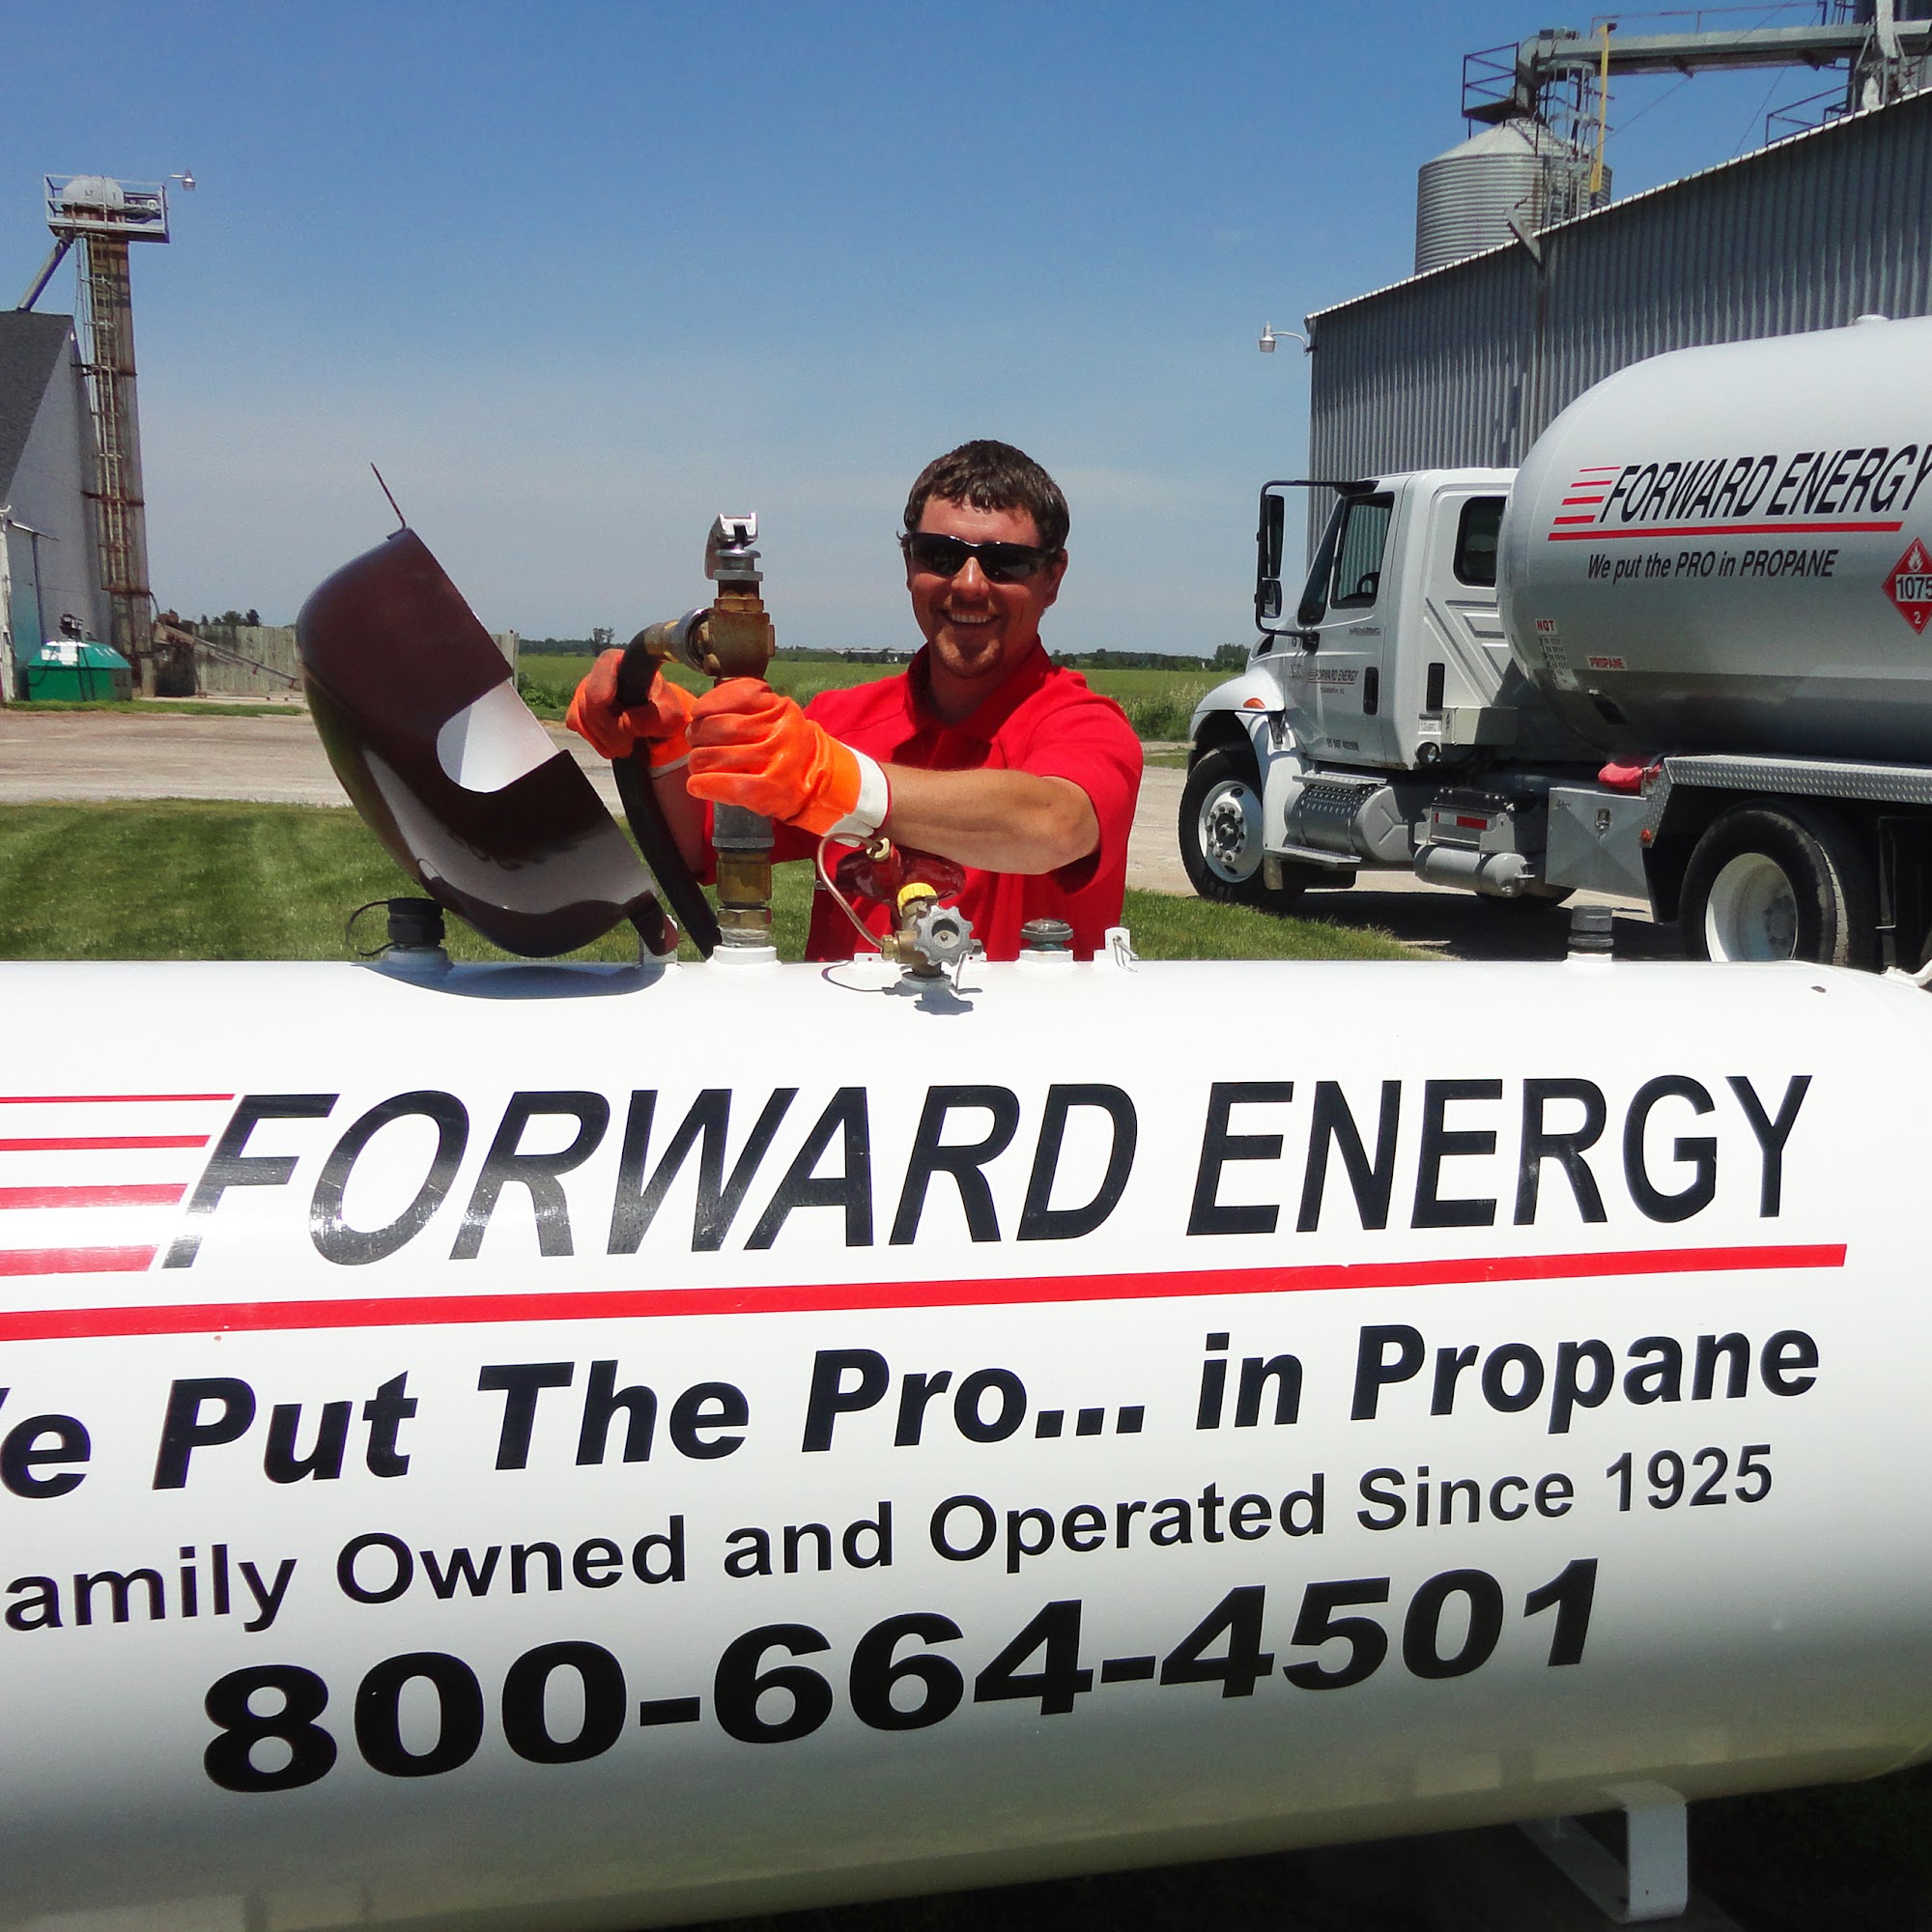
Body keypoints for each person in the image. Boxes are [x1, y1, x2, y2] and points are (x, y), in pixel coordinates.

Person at [567, 440, 1142, 960]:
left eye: (1005, 562)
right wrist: (664, 738)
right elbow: (701, 847)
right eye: (940, 556)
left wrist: (840, 782)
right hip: (846, 1044)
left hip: (1024, 1047)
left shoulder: (1085, 726)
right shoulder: (839, 724)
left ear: (1052, 578)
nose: (969, 584)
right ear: (909, 563)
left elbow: (1054, 825)